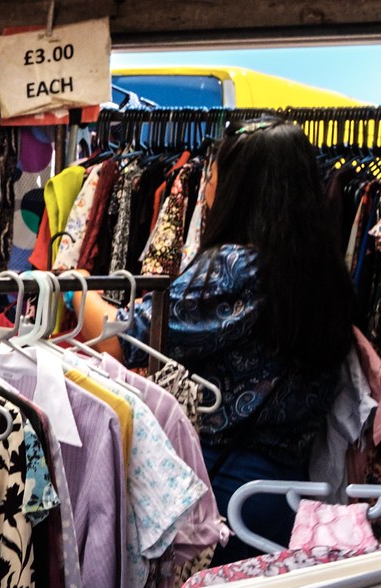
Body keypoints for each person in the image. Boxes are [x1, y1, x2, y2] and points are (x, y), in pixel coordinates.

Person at [70, 119, 355, 560]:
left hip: (220, 489)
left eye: (213, 176)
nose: (206, 189)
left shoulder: (236, 269)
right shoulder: (326, 273)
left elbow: (120, 336)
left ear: (239, 188)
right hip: (288, 492)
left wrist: (74, 285)